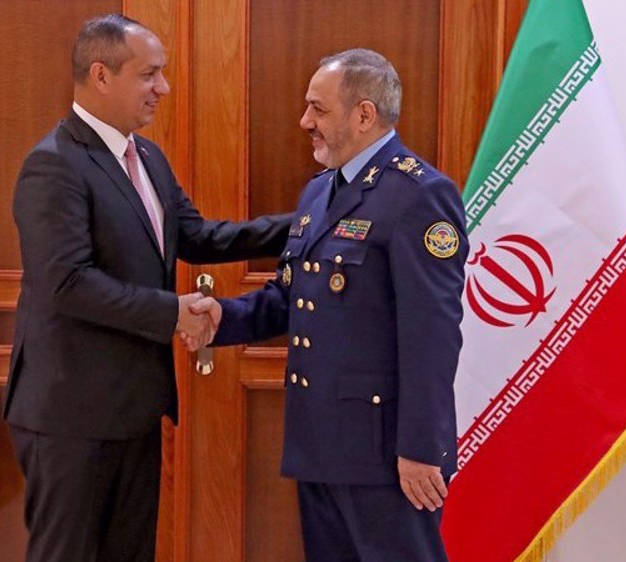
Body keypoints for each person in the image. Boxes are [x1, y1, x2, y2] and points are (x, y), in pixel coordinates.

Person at [3, 14, 293, 562]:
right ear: (101, 75)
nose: (163, 88)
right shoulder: (53, 165)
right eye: (150, 75)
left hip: (133, 409)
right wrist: (173, 312)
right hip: (71, 416)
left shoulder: (148, 157)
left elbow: (199, 237)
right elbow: (66, 283)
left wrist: (303, 226)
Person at [190, 49, 468, 561]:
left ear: (363, 114)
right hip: (320, 442)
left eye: (318, 109)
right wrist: (223, 318)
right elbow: (290, 297)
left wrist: (421, 449)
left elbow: (433, 334)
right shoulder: (319, 193)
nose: (305, 122)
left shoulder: (419, 196)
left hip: (386, 455)